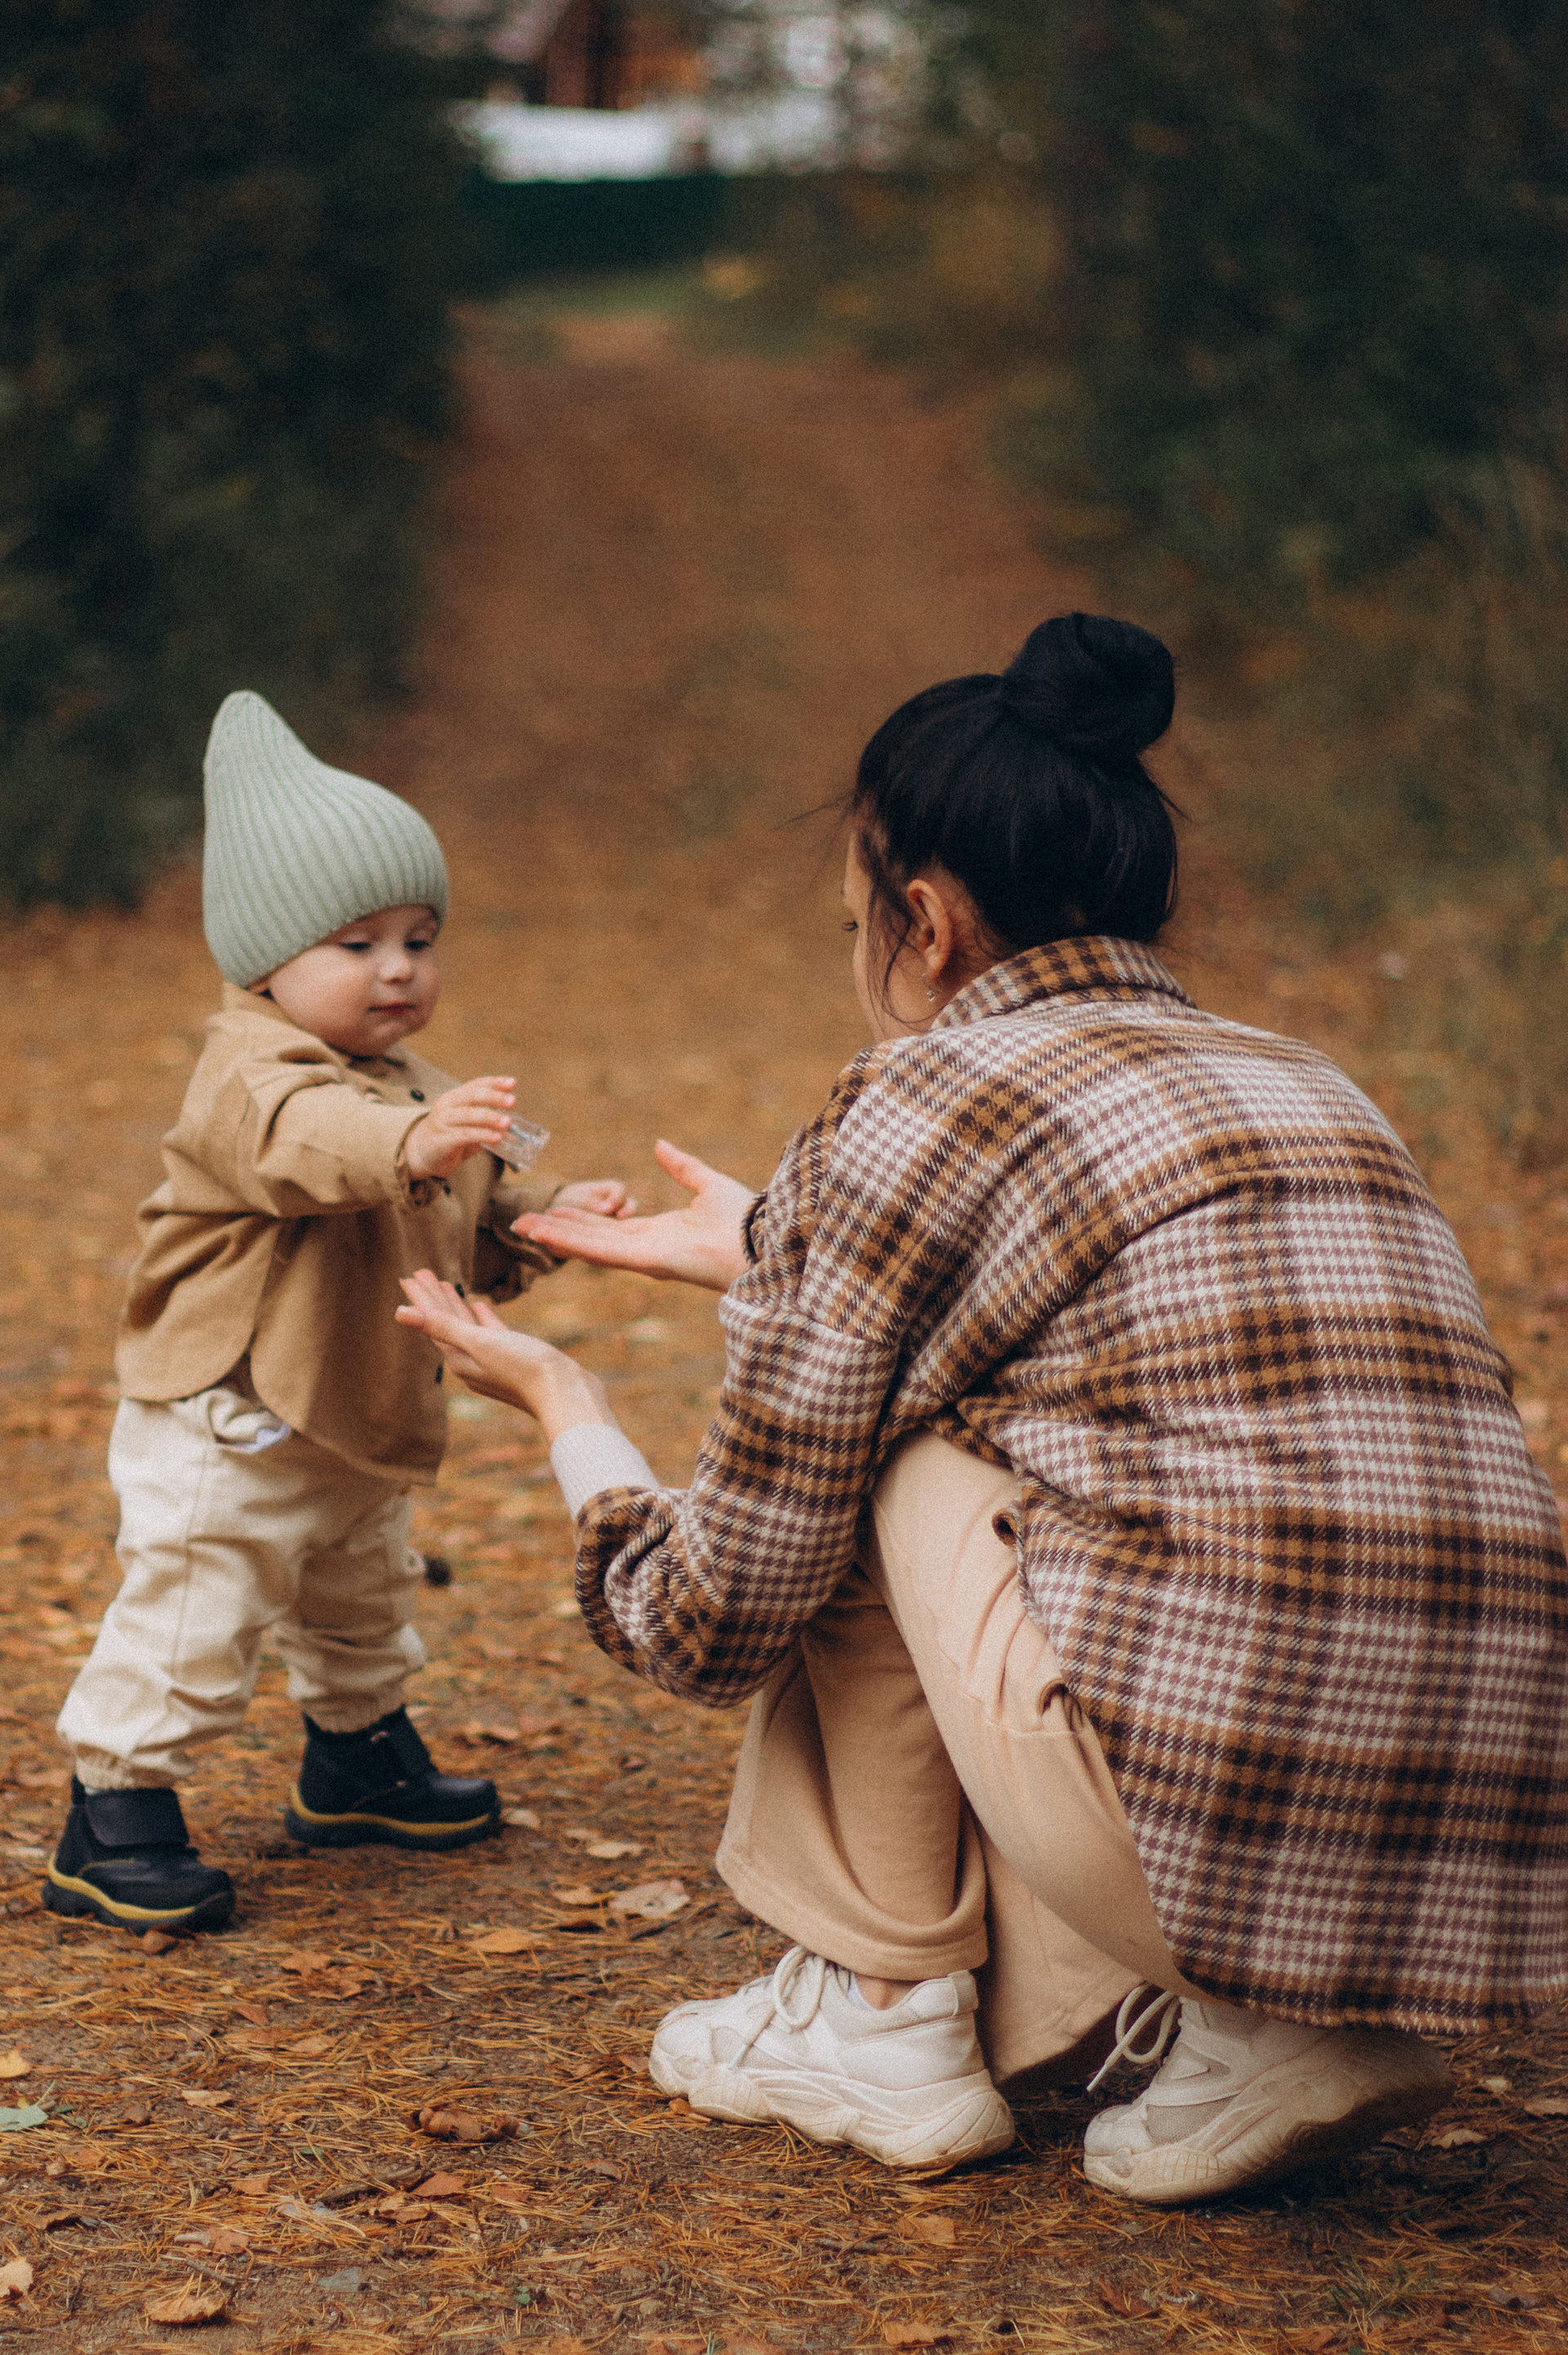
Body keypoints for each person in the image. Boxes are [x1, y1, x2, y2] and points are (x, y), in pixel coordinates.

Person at [397, 613, 1568, 2206]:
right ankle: (1262, 2022)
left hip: (1211, 1822)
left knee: (884, 1451)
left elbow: (715, 1618)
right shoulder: (1305, 1079)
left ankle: (878, 2008)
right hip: (1485, 1844)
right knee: (1010, 1447)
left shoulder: (920, 1093)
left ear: (929, 922)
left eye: (853, 926)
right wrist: (777, 1246)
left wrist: (570, 1416)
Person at [46, 691, 630, 1936]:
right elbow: (314, 1146)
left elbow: (453, 1205)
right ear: (266, 958)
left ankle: (358, 1758)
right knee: (199, 1605)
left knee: (363, 1592)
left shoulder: (407, 1082)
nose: (399, 968)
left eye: (419, 938)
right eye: (357, 943)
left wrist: (542, 1215)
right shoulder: (249, 1074)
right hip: (236, 1415)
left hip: (352, 1403)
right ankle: (115, 1806)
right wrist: (412, 1141)